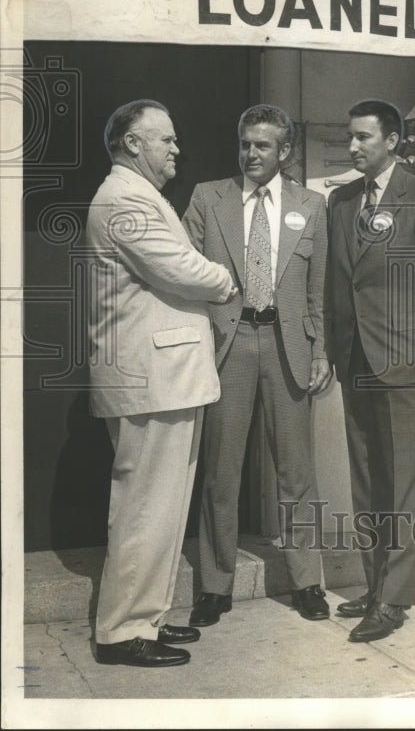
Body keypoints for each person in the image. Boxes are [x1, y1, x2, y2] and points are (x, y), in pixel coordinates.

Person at [87, 100, 236, 667]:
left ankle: (145, 618)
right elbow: (178, 268)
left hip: (165, 378)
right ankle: (122, 632)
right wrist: (228, 280)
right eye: (165, 140)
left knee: (162, 507)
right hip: (151, 379)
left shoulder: (135, 195)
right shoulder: (125, 197)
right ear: (132, 143)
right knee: (146, 508)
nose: (176, 149)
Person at [182, 104, 332, 626]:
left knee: (297, 473)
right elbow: (183, 274)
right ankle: (214, 586)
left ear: (284, 151)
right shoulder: (208, 197)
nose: (250, 154)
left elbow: (319, 291)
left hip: (289, 344)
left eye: (262, 146)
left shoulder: (312, 205)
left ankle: (306, 581)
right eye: (245, 144)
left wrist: (321, 352)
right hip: (230, 343)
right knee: (221, 473)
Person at [325, 99, 415, 643]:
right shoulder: (340, 202)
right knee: (368, 483)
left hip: (407, 359)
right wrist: (334, 351)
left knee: (405, 485)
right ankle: (375, 583)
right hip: (355, 358)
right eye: (350, 137)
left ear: (392, 140)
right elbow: (336, 284)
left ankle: (395, 598)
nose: (353, 146)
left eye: (363, 137)